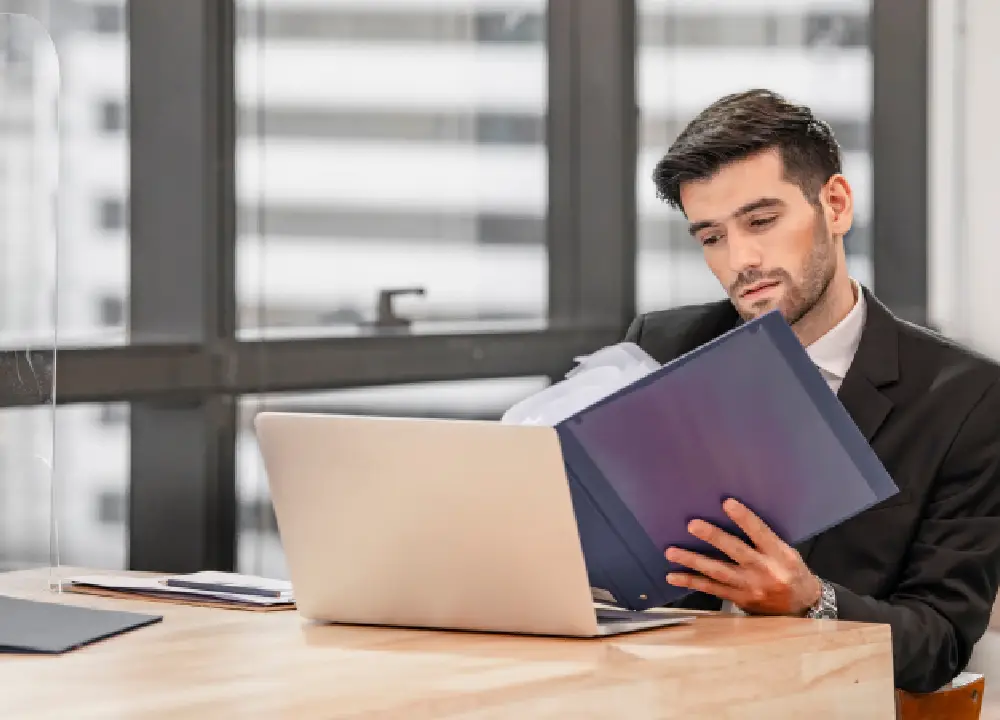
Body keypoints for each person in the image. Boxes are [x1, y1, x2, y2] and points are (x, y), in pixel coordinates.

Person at [626, 88, 1000, 693]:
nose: (740, 260)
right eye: (711, 237)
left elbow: (940, 642)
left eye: (761, 221)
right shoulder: (665, 345)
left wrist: (812, 599)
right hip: (656, 689)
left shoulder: (965, 398)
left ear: (835, 204)